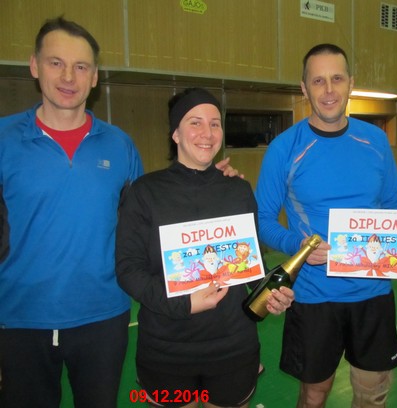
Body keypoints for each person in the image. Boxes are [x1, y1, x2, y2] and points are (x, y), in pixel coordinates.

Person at [0, 17, 237, 408]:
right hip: (20, 319)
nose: (69, 76)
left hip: (104, 319)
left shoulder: (120, 146)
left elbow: (150, 223)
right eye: (56, 63)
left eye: (81, 67)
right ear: (34, 66)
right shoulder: (5, 140)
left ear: (95, 77)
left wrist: (213, 181)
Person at [115, 87, 295, 408]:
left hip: (233, 348)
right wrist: (183, 304)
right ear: (175, 133)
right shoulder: (145, 192)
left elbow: (250, 264)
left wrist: (270, 294)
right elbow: (128, 270)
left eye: (215, 124)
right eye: (195, 122)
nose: (207, 133)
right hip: (167, 350)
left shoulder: (238, 190)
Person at [255, 43, 397, 408]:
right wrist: (297, 245)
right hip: (314, 297)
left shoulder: (376, 140)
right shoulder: (284, 148)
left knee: (372, 396)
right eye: (318, 81)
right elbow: (262, 219)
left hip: (373, 295)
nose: (329, 90)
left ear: (351, 83)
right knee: (314, 395)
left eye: (337, 78)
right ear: (304, 89)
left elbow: (393, 208)